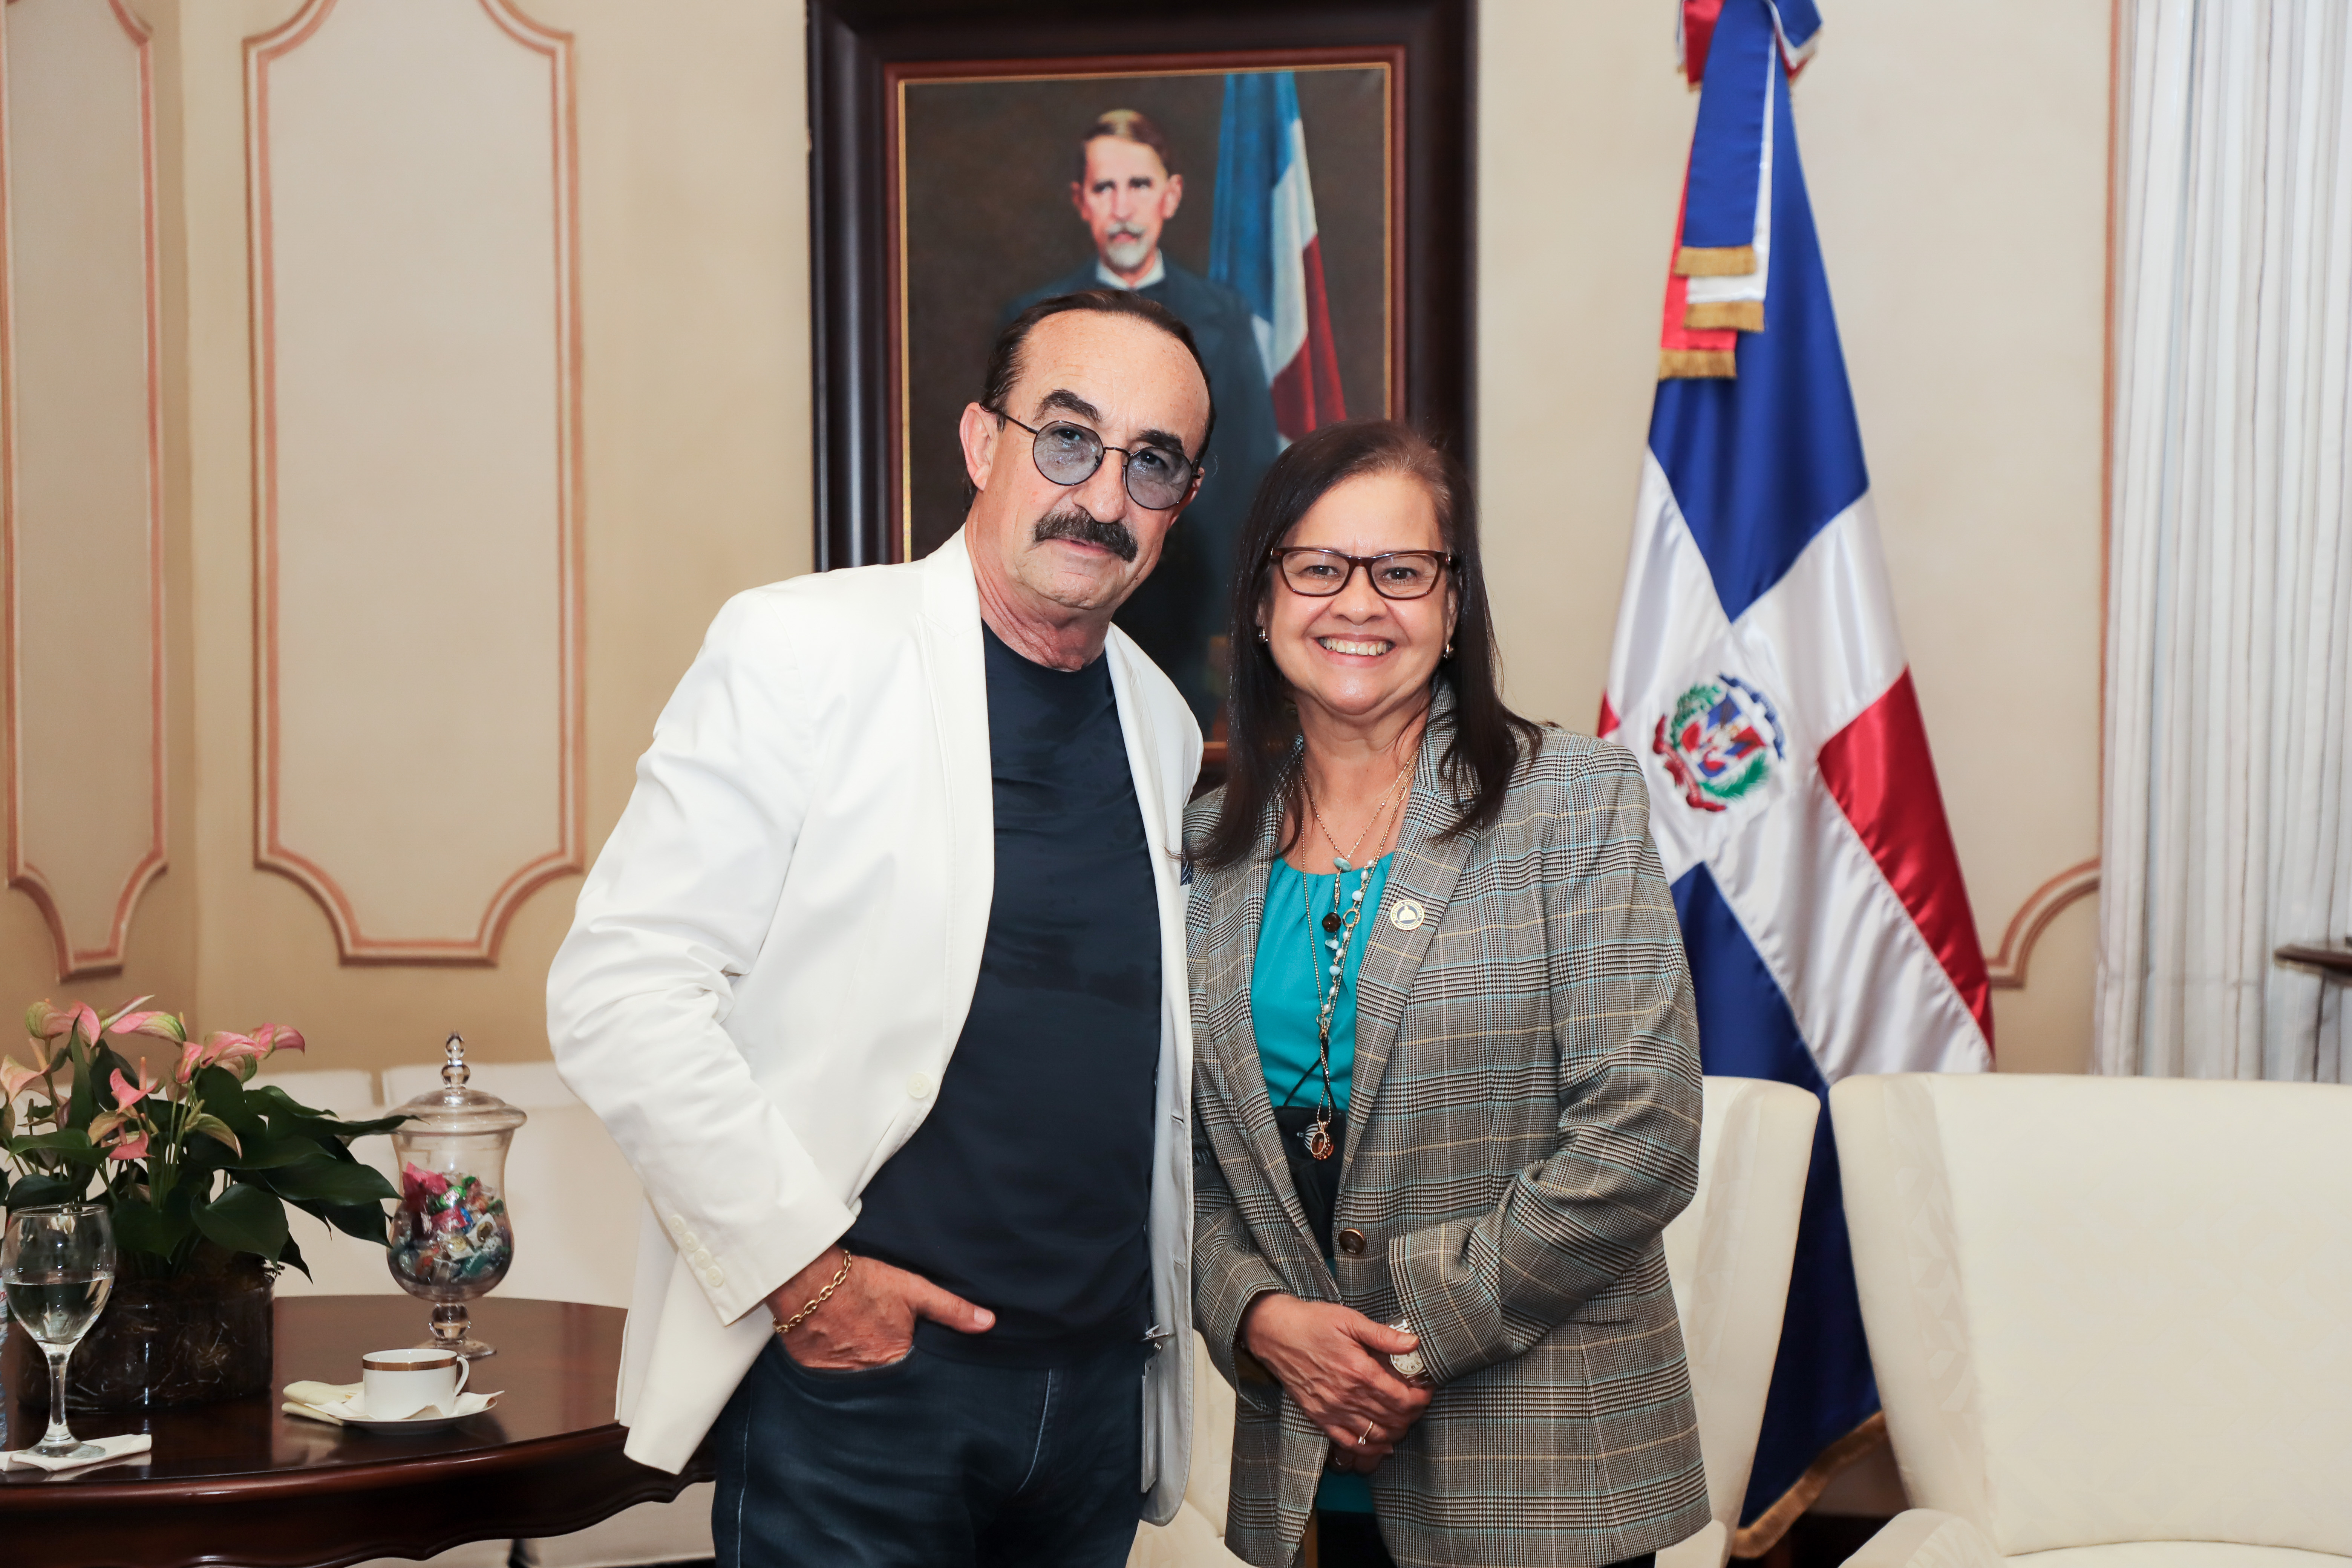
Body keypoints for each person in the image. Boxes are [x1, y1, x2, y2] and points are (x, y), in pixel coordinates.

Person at [547, 290, 1216, 1568]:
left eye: (1152, 462)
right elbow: (619, 992)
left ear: (1181, 502)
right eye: (1067, 438)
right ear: (982, 442)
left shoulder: (1161, 722)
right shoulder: (801, 648)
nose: (1101, 495)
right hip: (865, 1391)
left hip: (1094, 1401)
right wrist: (808, 1278)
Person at [1184, 421, 1712, 1568]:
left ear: (1454, 602)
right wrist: (1264, 1320)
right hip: (1306, 1460)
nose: (1357, 604)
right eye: (1318, 567)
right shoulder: (1198, 850)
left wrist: (1408, 1340)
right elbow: (1178, 1158)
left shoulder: (1571, 799)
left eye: (1401, 571)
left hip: (1545, 1470)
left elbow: (1643, 1132)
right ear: (1263, 602)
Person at [1005, 109, 1283, 730]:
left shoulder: (1225, 315)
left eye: (1139, 185)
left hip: (1188, 618)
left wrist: (1231, 621)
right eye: (1106, 188)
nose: (1123, 207)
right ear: (1082, 201)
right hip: (1056, 611)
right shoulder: (1033, 317)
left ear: (1171, 196)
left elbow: (1250, 474)